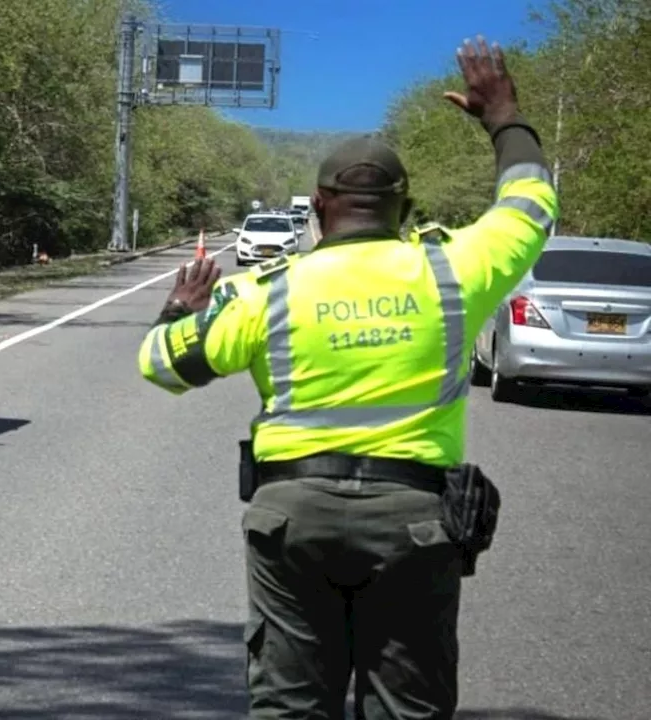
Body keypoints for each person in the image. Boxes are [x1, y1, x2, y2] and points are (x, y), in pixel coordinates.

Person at [136, 37, 556, 718]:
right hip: (417, 527)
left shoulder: (266, 293)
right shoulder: (453, 271)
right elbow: (531, 207)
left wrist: (176, 310)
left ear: (319, 207)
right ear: (406, 207)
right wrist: (503, 116)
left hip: (294, 523)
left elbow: (161, 366)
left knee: (291, 708)